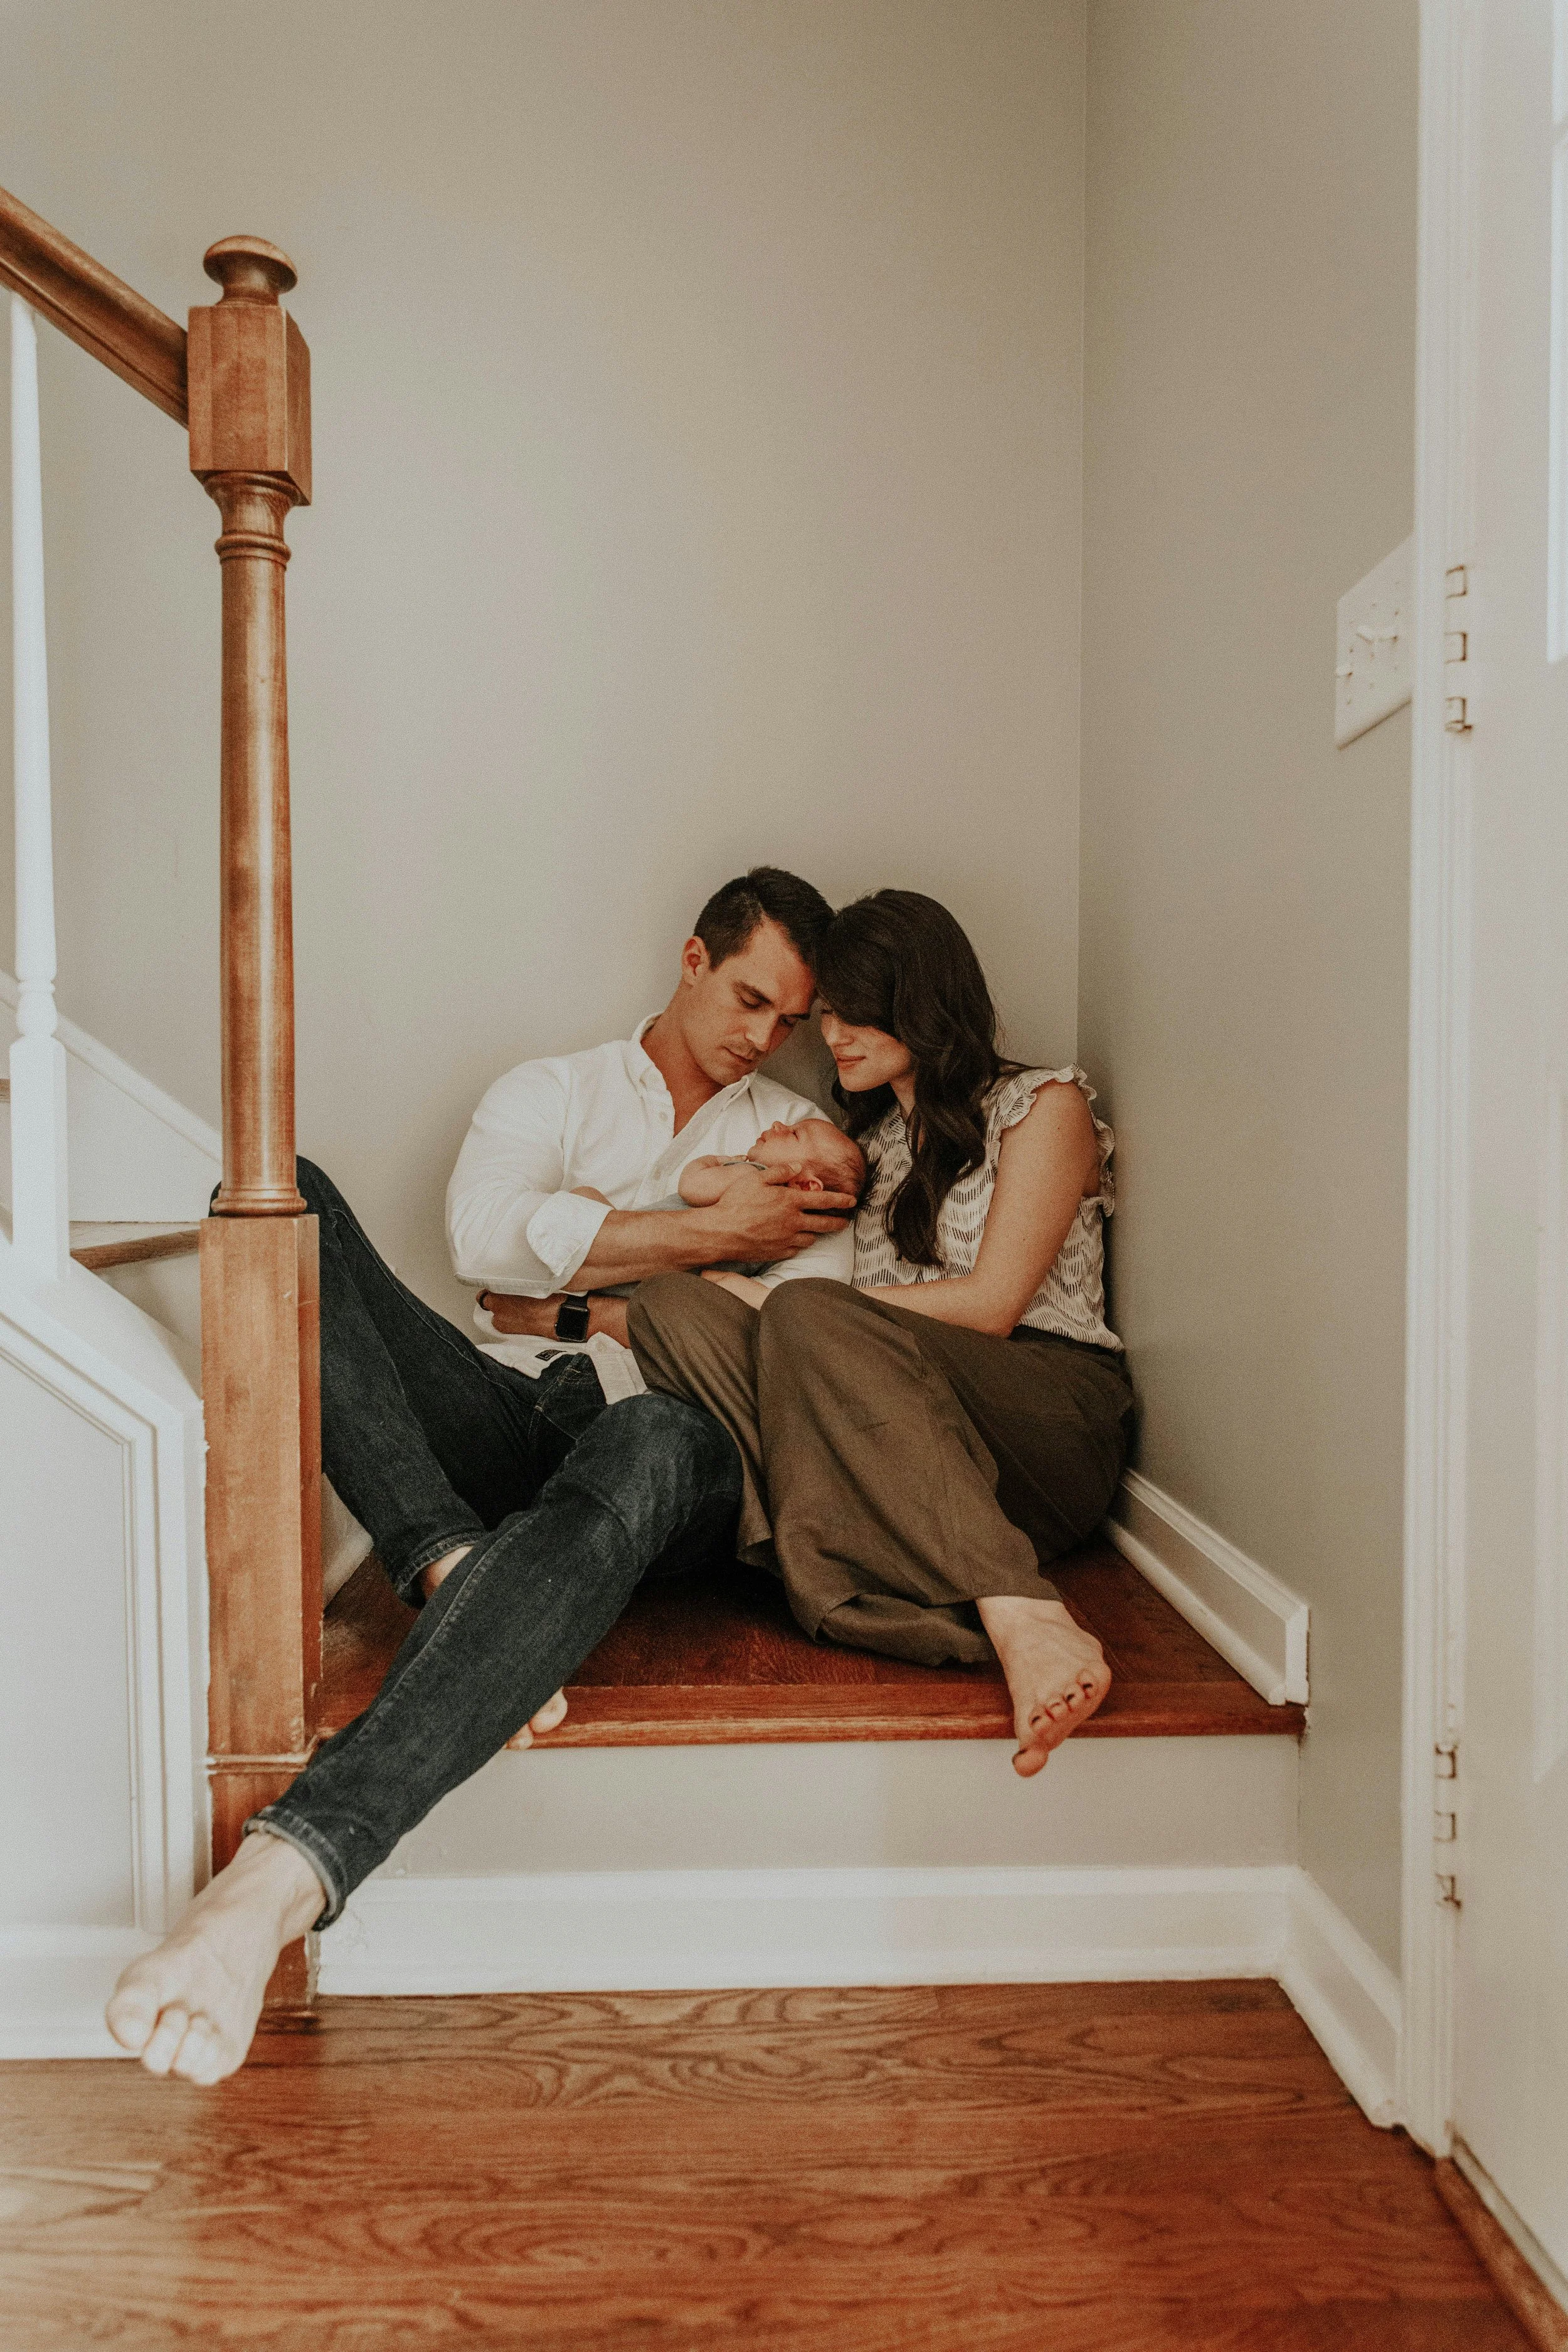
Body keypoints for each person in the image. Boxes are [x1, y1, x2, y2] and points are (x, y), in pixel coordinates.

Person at [104, 867, 858, 2085]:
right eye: (746, 998)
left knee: (655, 1436)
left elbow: (800, 1328)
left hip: (673, 1432)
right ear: (689, 959)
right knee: (276, 1186)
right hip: (507, 1400)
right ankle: (447, 1557)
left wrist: (577, 1279)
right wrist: (709, 1243)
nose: (760, 1038)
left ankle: (288, 1871)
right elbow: (481, 1243)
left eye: (786, 1019)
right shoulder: (549, 1089)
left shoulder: (802, 1147)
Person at [628, 888, 1135, 1781]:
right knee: (668, 1306)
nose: (835, 1036)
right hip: (909, 1432)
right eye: (828, 1015)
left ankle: (1018, 1605)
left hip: (1045, 1415)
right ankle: (850, 1563)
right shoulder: (865, 1142)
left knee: (804, 1314)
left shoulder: (1041, 1104)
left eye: (862, 1014)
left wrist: (787, 1315)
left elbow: (991, 1306)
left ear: (925, 1003)